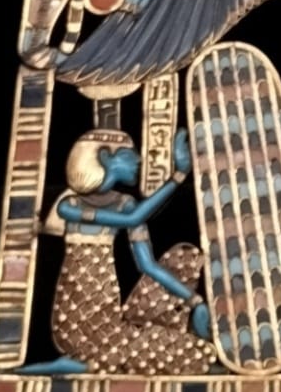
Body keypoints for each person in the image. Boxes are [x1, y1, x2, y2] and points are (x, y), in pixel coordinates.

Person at [19, 128, 215, 375]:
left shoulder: (125, 203)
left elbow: (148, 265)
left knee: (185, 258)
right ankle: (85, 359)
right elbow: (132, 220)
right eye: (130, 153)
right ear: (105, 157)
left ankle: (109, 355)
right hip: (80, 322)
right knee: (198, 354)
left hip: (112, 319)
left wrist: (195, 301)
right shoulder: (69, 205)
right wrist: (178, 175)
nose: (139, 159)